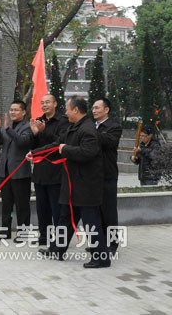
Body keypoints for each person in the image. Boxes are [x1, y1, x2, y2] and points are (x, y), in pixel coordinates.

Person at [36, 96, 110, 269]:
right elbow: (56, 145)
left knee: (91, 222)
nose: (66, 112)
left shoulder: (88, 129)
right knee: (66, 220)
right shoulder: (73, 127)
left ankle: (102, 258)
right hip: (73, 185)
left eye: (68, 109)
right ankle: (57, 250)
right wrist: (35, 153)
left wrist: (66, 149)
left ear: (76, 110)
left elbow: (88, 152)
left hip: (86, 186)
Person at [29, 94, 69, 246]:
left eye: (47, 102)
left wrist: (44, 131)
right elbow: (34, 146)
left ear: (55, 103)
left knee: (56, 209)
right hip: (40, 172)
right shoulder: (40, 120)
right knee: (42, 208)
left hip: (55, 172)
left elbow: (59, 144)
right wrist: (34, 133)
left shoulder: (63, 121)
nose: (45, 105)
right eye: (42, 102)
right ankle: (44, 236)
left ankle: (59, 239)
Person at [0, 100, 33, 242]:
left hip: (20, 173)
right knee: (6, 204)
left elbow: (22, 141)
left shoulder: (27, 127)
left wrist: (8, 129)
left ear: (23, 112)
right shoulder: (6, 126)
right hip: (5, 171)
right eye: (11, 109)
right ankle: (5, 231)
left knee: (22, 205)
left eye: (16, 110)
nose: (13, 112)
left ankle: (23, 233)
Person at [92, 98, 123, 252]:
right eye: (93, 108)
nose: (94, 110)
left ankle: (112, 244)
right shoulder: (92, 126)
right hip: (93, 176)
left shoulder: (114, 126)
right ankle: (99, 244)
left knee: (109, 212)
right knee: (96, 212)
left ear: (106, 110)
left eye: (97, 108)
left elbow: (108, 142)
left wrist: (91, 132)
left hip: (108, 175)